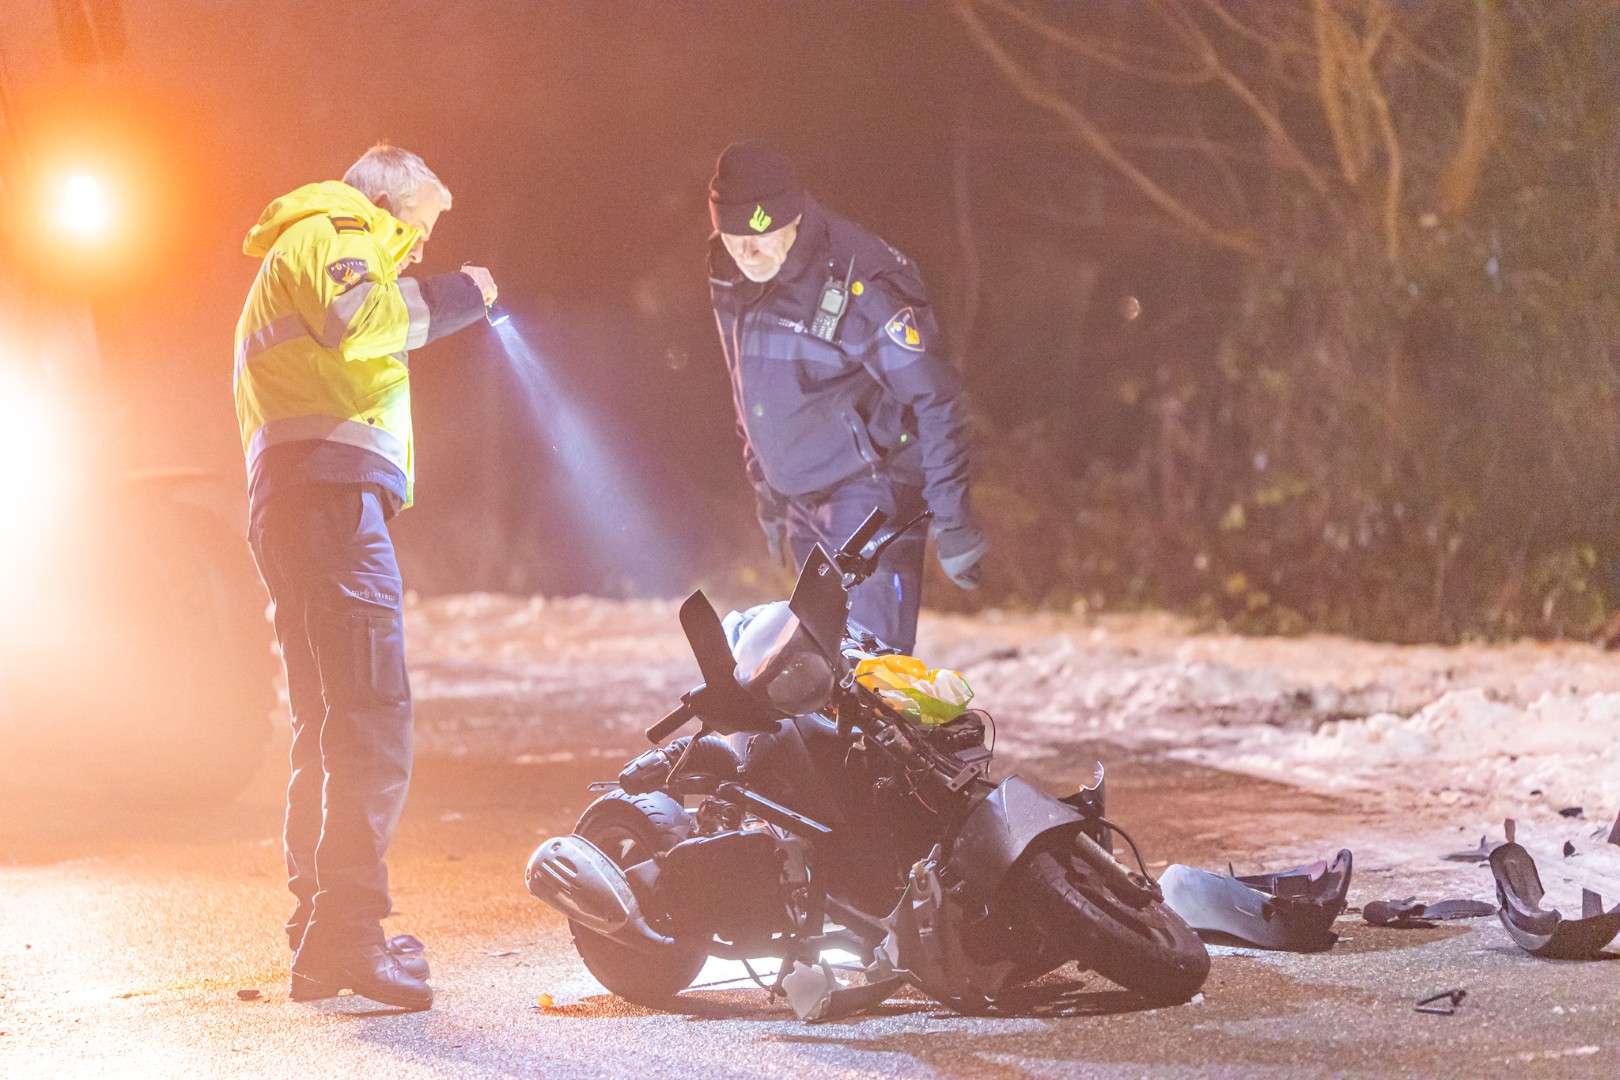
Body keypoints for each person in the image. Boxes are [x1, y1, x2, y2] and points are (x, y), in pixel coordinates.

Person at [232, 145, 496, 1010]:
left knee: (328, 722)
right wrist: (465, 293)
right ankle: (348, 932)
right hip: (333, 501)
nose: (421, 246)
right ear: (384, 201)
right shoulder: (339, 228)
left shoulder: (302, 240)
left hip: (296, 501)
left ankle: (319, 932)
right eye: (419, 225)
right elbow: (363, 320)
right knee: (372, 718)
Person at [706, 139, 984, 653]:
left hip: (867, 495)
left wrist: (953, 518)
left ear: (790, 216)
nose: (745, 254)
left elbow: (937, 395)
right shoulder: (730, 271)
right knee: (816, 669)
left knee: (867, 669)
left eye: (758, 236)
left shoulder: (859, 279)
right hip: (801, 500)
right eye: (731, 236)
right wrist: (767, 492)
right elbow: (749, 386)